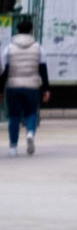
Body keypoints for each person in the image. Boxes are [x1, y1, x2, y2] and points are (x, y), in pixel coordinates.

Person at [0, 18, 45, 156]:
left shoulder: (9, 48)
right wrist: (46, 89)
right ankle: (30, 133)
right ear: (31, 31)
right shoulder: (38, 47)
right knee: (31, 113)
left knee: (14, 116)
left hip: (13, 86)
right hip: (32, 86)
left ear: (17, 31)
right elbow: (43, 69)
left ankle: (13, 147)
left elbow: (4, 70)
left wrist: (1, 89)